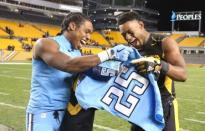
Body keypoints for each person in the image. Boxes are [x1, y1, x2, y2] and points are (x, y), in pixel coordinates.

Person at [26, 12, 133, 131]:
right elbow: (68, 64)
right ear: (72, 26)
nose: (89, 37)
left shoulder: (78, 53)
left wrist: (124, 68)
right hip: (43, 113)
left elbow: (94, 71)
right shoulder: (45, 43)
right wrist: (110, 53)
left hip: (69, 116)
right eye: (86, 31)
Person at [117, 11, 187, 131]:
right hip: (140, 107)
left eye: (130, 32)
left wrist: (158, 65)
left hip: (164, 105)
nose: (128, 38)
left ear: (141, 25)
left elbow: (183, 74)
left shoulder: (164, 42)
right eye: (124, 35)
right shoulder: (129, 51)